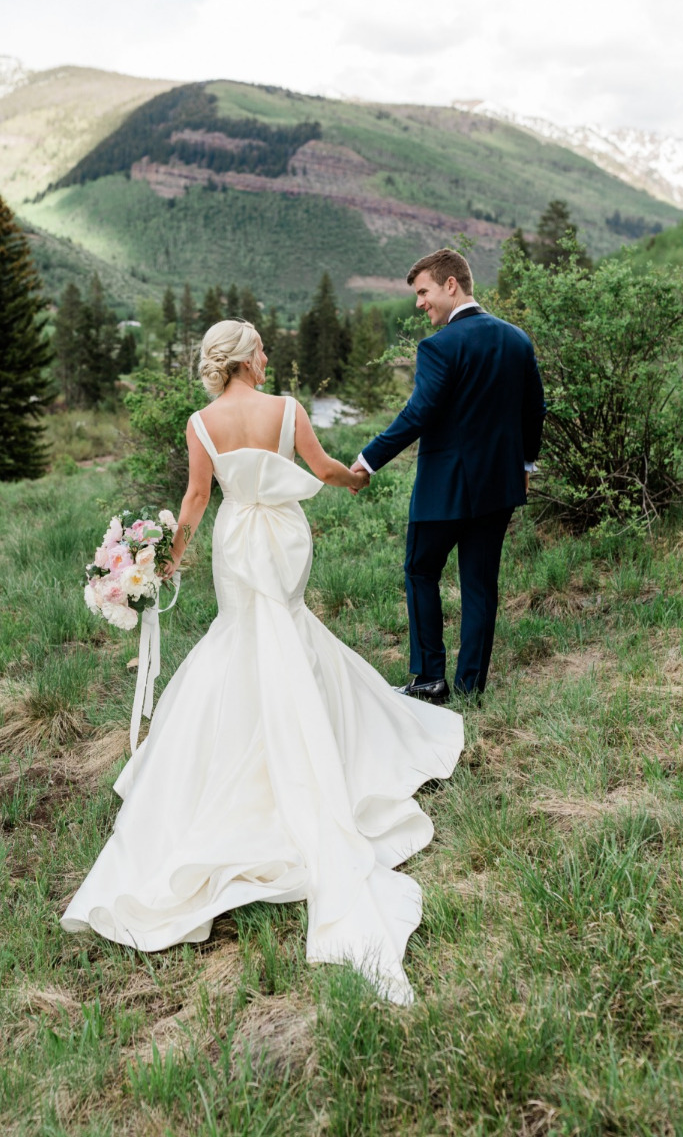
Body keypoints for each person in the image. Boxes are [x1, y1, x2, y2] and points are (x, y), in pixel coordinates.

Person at [62, 319, 464, 1005]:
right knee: (286, 622)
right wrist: (356, 478)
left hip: (235, 536)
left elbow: (195, 499)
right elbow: (324, 469)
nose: (270, 356)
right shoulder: (287, 410)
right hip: (281, 531)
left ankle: (248, 737)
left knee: (244, 631)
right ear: (247, 358)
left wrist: (165, 564)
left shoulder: (201, 422)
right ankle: (312, 733)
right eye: (263, 348)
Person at [352, 249, 546, 704]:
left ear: (451, 285)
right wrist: (524, 467)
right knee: (480, 584)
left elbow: (419, 413)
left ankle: (428, 680)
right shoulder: (517, 339)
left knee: (421, 570)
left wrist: (368, 459)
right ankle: (469, 688)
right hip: (499, 487)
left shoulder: (439, 346)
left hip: (445, 490)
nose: (420, 303)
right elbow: (534, 410)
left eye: (424, 291)